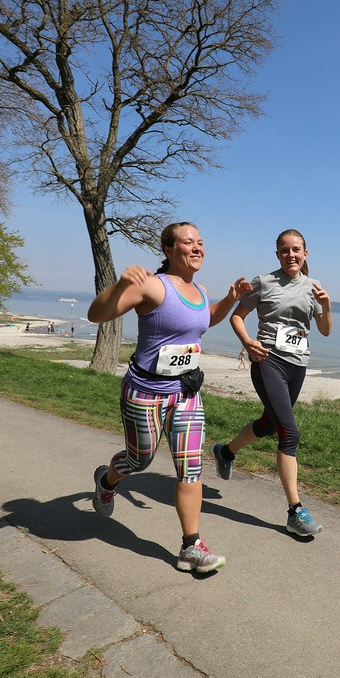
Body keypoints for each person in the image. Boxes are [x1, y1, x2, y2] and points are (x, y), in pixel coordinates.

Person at [88, 222, 250, 572]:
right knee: (138, 460)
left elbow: (205, 319)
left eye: (201, 242)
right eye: (188, 242)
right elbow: (96, 315)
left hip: (186, 392)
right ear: (168, 250)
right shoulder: (151, 285)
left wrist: (231, 299)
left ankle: (191, 545)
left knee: (191, 467)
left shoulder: (200, 290)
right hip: (145, 391)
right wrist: (121, 284)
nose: (197, 248)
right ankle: (106, 480)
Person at [211, 229, 332, 537]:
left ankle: (226, 452)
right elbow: (237, 316)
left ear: (306, 253)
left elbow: (325, 330)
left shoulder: (313, 287)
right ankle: (295, 511)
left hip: (298, 365)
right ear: (278, 254)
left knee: (268, 424)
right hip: (268, 361)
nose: (291, 255)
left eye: (296, 250)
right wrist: (248, 342)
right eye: (284, 250)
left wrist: (327, 307)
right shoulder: (264, 282)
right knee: (289, 434)